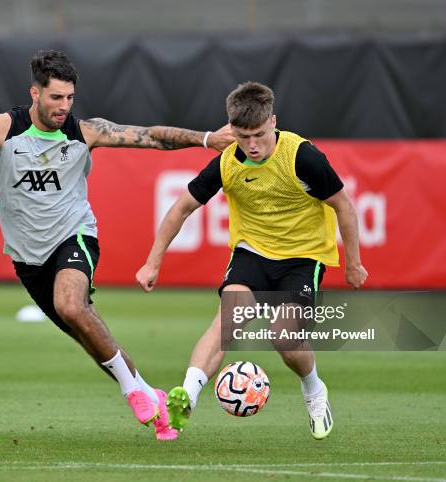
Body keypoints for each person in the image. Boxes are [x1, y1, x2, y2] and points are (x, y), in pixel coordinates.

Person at [0, 49, 232, 442]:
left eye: (70, 97)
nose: (64, 107)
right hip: (28, 259)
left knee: (71, 304)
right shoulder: (3, 127)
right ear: (35, 94)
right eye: (56, 97)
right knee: (89, 335)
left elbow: (153, 138)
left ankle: (133, 391)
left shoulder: (84, 132)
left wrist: (207, 139)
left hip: (75, 237)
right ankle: (148, 395)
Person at [136, 81, 368, 440]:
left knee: (284, 338)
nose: (253, 145)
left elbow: (344, 206)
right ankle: (187, 397)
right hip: (252, 253)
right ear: (231, 130)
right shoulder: (226, 163)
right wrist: (153, 261)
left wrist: (352, 262)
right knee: (229, 318)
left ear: (273, 122)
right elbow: (181, 209)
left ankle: (313, 388)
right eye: (243, 137)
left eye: (259, 134)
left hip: (303, 258)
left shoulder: (302, 157)